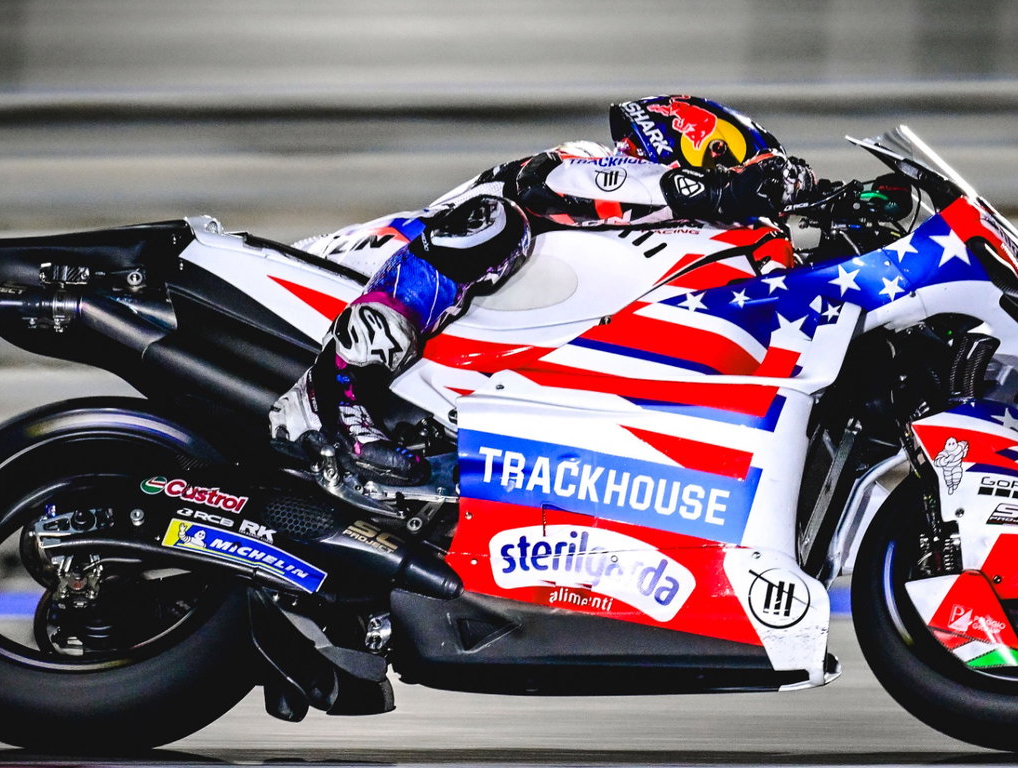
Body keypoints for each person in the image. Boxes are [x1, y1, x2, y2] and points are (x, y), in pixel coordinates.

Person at [268, 95, 818, 484]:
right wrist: (718, 189)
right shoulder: (590, 162)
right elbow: (550, 185)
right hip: (346, 266)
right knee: (494, 222)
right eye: (739, 165)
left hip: (461, 350)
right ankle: (331, 391)